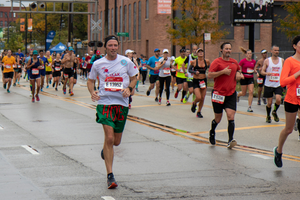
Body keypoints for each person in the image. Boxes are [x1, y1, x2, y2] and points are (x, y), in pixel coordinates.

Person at [87, 35, 138, 189]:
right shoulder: (98, 63)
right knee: (109, 138)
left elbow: (134, 77)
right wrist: (92, 92)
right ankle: (110, 175)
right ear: (106, 47)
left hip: (121, 104)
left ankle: (106, 150)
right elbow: (90, 81)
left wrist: (129, 88)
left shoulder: (125, 61)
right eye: (110, 45)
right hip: (105, 103)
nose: (113, 48)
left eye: (115, 45)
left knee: (116, 141)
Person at [207, 42, 244, 149]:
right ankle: (212, 131)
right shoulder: (216, 62)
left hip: (231, 93)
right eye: (226, 49)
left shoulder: (234, 62)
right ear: (222, 50)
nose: (228, 51)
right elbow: (209, 75)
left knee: (230, 116)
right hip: (218, 93)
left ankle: (230, 140)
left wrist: (238, 73)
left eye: (229, 49)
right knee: (218, 119)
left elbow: (238, 69)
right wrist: (222, 72)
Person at [274, 36, 300, 168]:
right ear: (295, 46)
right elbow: (282, 82)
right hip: (292, 98)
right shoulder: (290, 61)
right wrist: (297, 74)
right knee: (289, 129)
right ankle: (278, 151)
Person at [260, 45, 284, 123]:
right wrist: (267, 73)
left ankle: (274, 112)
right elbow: (262, 71)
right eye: (275, 50)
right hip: (268, 84)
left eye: (278, 50)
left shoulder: (282, 60)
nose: (277, 52)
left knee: (278, 99)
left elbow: (285, 71)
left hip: (278, 84)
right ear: (271, 51)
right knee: (269, 103)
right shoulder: (267, 61)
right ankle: (268, 116)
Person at [189, 48, 210, 118]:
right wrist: (195, 72)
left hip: (203, 81)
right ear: (197, 54)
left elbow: (211, 69)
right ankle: (194, 103)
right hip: (196, 81)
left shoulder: (207, 61)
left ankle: (199, 112)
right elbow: (189, 70)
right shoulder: (194, 62)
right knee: (198, 97)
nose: (201, 53)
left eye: (202, 51)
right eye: (199, 52)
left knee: (202, 98)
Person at [237, 47, 256, 112]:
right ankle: (238, 95)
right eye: (248, 53)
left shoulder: (253, 61)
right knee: (243, 93)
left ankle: (249, 107)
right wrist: (240, 73)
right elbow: (238, 68)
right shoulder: (243, 61)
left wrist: (256, 72)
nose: (249, 55)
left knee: (251, 91)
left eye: (250, 53)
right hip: (244, 78)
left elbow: (254, 69)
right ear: (246, 54)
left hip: (250, 77)